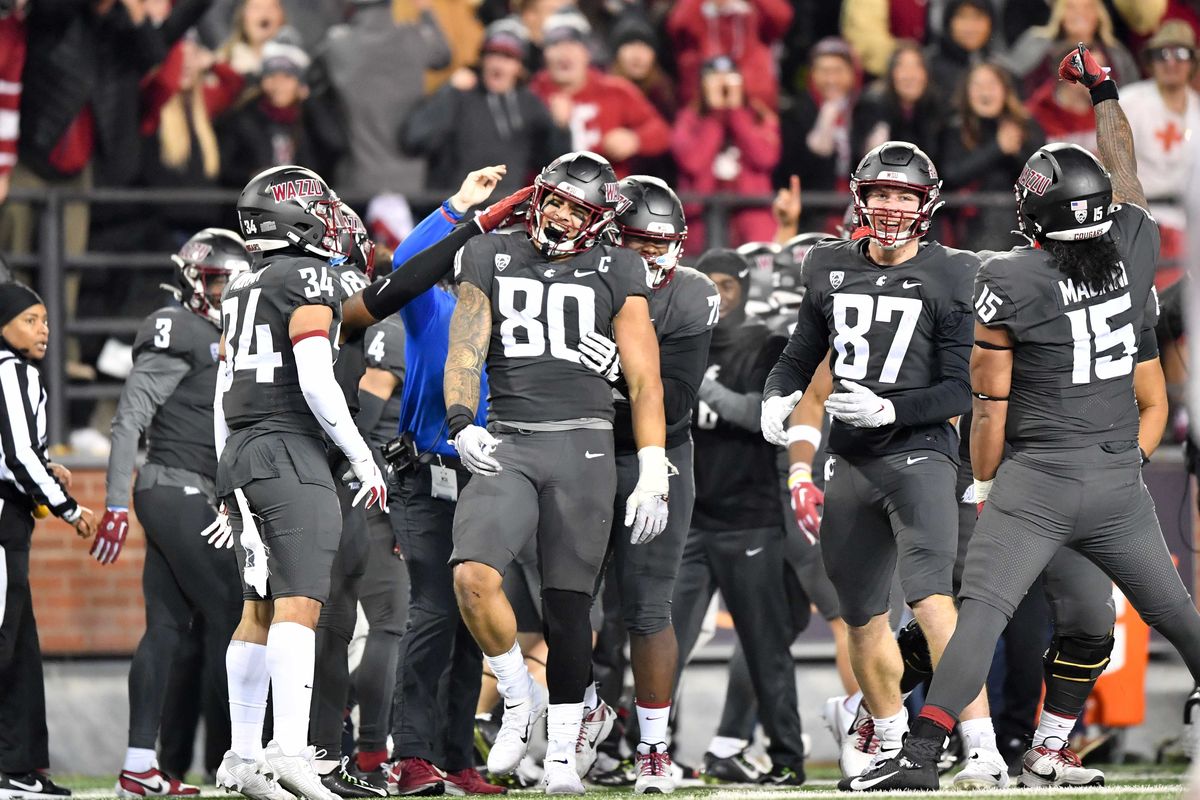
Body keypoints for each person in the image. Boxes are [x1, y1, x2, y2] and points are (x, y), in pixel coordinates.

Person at [839, 44, 1200, 792]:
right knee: (1173, 610)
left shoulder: (1009, 276)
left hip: (1035, 478)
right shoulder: (1135, 246)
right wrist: (1103, 88)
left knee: (980, 617)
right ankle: (1037, 747)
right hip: (1116, 479)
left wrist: (980, 485)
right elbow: (1125, 172)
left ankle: (919, 760)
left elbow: (990, 404)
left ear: (1031, 213)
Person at [759, 140, 1007, 788]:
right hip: (851, 459)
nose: (891, 206)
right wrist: (777, 396)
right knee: (860, 616)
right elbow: (801, 352)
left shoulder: (954, 270)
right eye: (881, 193)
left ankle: (977, 743)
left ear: (927, 204)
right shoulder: (828, 264)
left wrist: (891, 413)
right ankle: (890, 737)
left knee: (931, 600)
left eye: (904, 195)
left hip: (920, 452)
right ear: (859, 197)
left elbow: (961, 388)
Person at [443, 150, 668, 795]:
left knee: (569, 609)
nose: (563, 215)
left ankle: (565, 758)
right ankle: (516, 693)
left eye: (579, 208)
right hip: (510, 438)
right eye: (557, 199)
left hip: (584, 446)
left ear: (600, 220)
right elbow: (466, 343)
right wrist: (463, 420)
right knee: (473, 576)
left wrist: (653, 465)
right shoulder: (491, 252)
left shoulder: (620, 265)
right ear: (539, 195)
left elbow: (646, 379)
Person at [210, 165, 389, 800]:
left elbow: (223, 386)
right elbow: (315, 378)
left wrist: (225, 466)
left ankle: (242, 755)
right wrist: (362, 455)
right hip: (291, 447)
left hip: (244, 448)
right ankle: (290, 751)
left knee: (255, 608)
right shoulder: (309, 278)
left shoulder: (241, 283)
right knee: (300, 603)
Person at [575, 175, 719, 793]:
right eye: (636, 243)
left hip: (654, 456)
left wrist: (616, 369)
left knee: (648, 605)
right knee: (564, 597)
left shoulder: (689, 294)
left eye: (661, 243)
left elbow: (680, 401)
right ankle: (576, 717)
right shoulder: (575, 277)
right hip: (578, 449)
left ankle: (654, 749)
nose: (652, 257)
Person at [93, 229, 249, 798]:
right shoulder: (175, 326)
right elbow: (128, 419)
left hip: (188, 491)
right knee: (240, 614)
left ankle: (139, 764)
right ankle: (248, 756)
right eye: (215, 280)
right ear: (191, 279)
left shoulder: (220, 332)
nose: (224, 291)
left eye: (230, 281)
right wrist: (112, 504)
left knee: (165, 627)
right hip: (176, 489)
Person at [382, 170, 515, 797]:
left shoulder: (512, 316)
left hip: (489, 479)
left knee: (472, 618)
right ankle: (409, 753)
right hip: (427, 473)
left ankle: (459, 757)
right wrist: (461, 207)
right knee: (435, 607)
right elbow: (407, 263)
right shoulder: (432, 304)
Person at [671, 248, 807, 786]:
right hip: (688, 518)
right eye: (712, 284)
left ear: (745, 288)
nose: (720, 294)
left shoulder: (767, 343)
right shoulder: (682, 338)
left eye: (729, 285)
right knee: (663, 642)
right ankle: (649, 748)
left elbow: (759, 415)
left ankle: (788, 757)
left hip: (749, 517)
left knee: (764, 645)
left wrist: (700, 384)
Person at [0, 282, 95, 798]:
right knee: (5, 643)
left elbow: (18, 454)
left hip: (11, 517)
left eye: (45, 319)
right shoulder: (9, 371)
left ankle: (21, 765)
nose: (44, 330)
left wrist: (44, 466)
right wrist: (70, 508)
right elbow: (16, 455)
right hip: (1, 520)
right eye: (30, 320)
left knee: (20, 644)